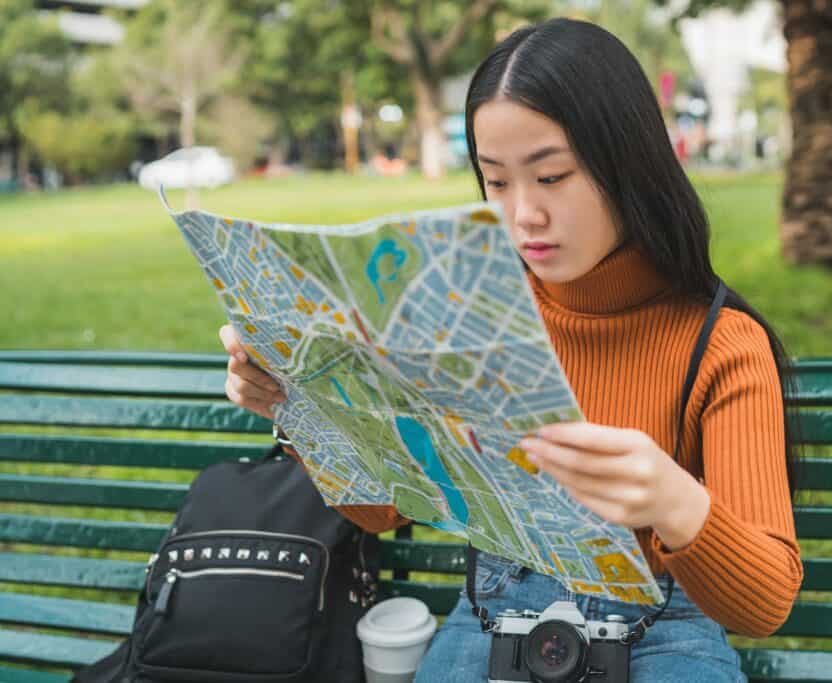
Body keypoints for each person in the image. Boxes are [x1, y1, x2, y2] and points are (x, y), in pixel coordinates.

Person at [220, 18, 802, 683]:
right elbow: (381, 510)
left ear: (627, 165)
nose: (523, 214)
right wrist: (300, 404)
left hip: (661, 633)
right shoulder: (469, 316)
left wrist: (675, 501)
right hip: (494, 618)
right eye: (496, 182)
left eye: (551, 176)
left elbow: (765, 600)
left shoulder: (720, 343)